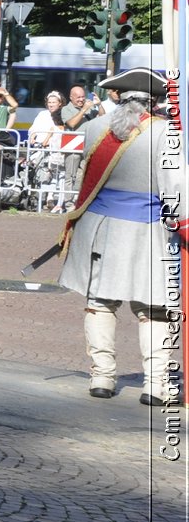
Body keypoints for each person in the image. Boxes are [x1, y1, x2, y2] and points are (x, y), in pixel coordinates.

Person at [58, 68, 183, 405]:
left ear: (118, 96)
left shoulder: (96, 128)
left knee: (99, 303)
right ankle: (154, 385)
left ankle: (101, 376)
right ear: (153, 101)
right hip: (149, 230)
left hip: (101, 229)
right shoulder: (166, 133)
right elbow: (175, 190)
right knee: (153, 308)